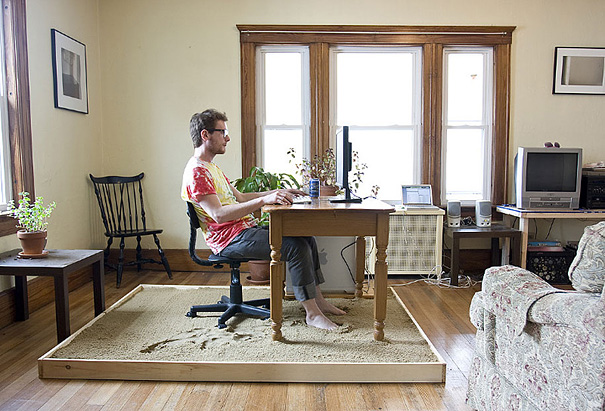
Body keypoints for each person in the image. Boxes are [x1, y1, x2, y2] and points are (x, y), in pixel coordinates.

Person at [181, 108, 345, 330]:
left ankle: (319, 302)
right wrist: (263, 201)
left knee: (305, 237)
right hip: (228, 240)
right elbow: (218, 215)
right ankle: (312, 314)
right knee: (295, 247)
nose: (227, 137)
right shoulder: (197, 172)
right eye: (223, 132)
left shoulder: (211, 168)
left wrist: (276, 192)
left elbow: (239, 197)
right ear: (205, 135)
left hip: (242, 231)